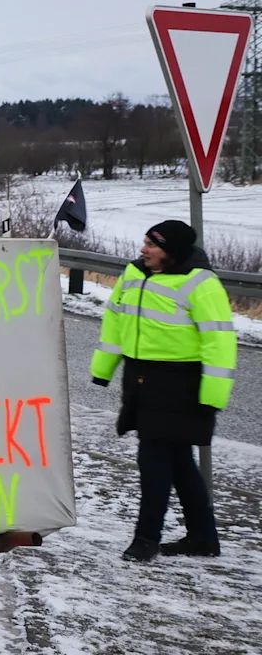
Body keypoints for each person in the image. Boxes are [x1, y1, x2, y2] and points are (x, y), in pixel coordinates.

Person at [91, 219, 237, 562]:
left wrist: (213, 396)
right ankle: (202, 538)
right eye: (145, 242)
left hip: (180, 383)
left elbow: (219, 341)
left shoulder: (201, 283)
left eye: (152, 245)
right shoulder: (134, 274)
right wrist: (103, 368)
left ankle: (146, 540)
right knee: (181, 462)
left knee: (154, 459)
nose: (144, 250)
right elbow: (115, 320)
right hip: (141, 377)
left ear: (172, 252)